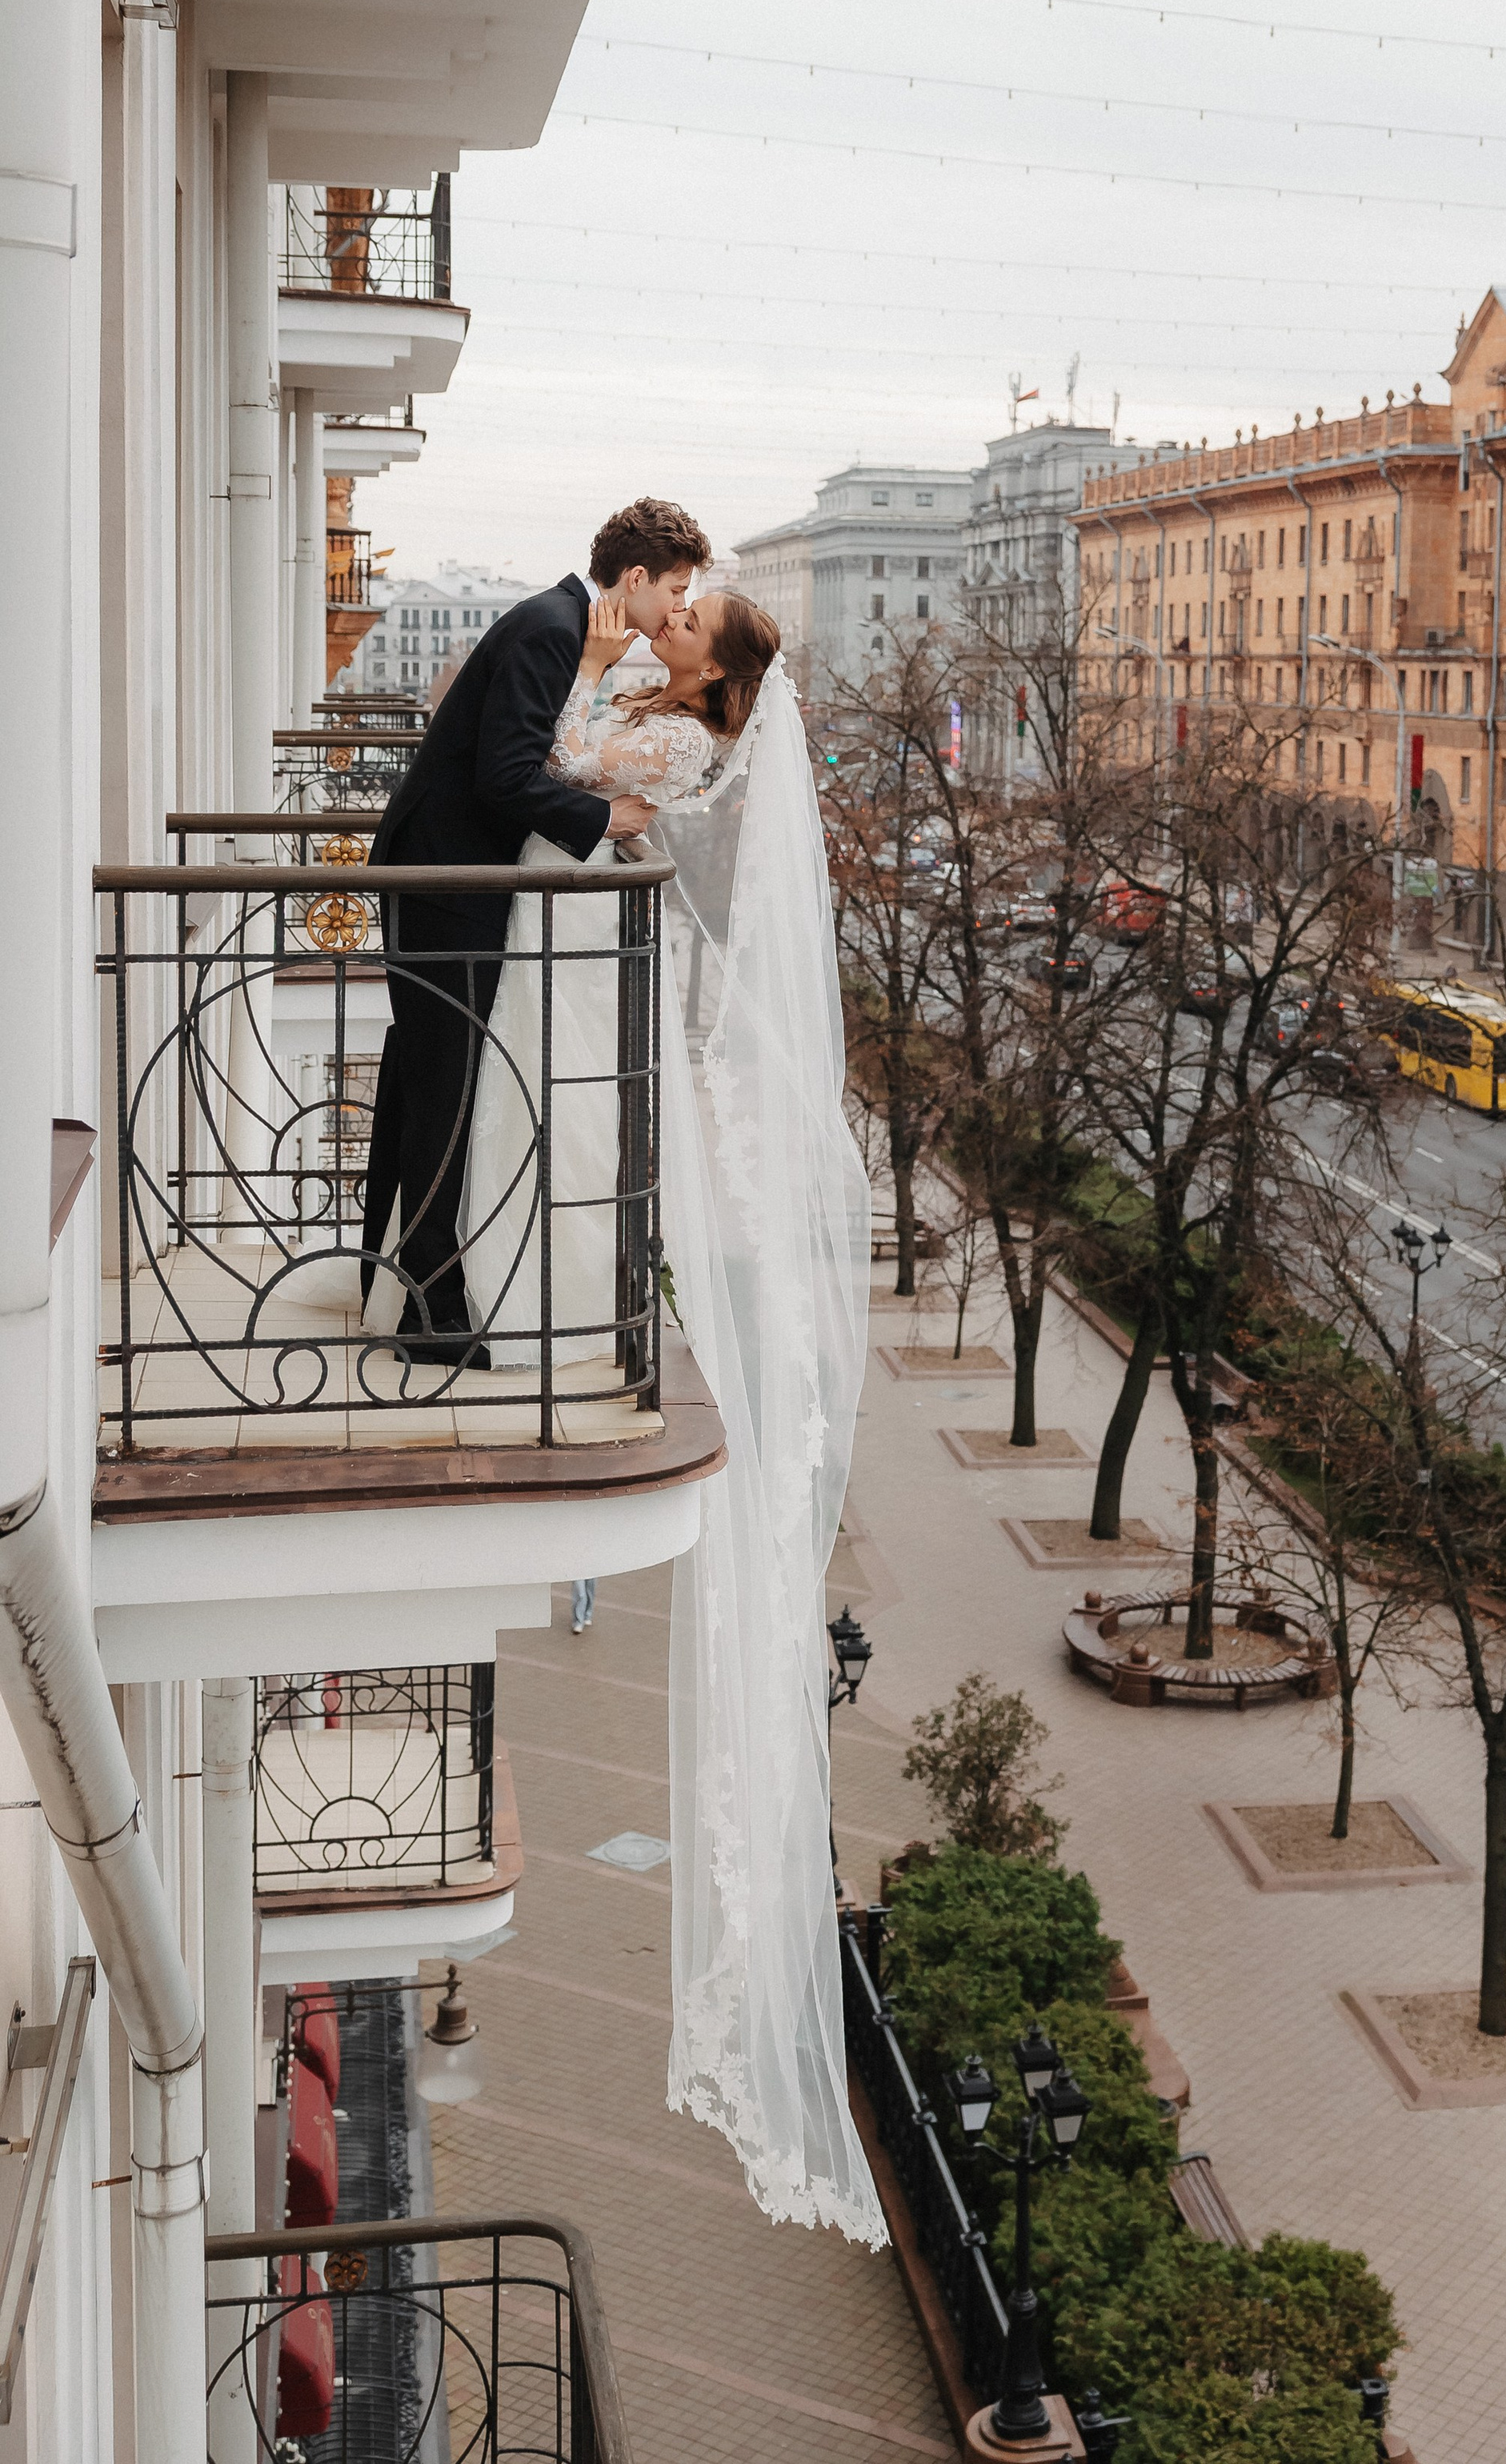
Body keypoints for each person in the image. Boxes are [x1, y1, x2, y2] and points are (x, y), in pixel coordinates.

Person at [462, 583, 886, 2245]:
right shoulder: (687, 725)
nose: (672, 620)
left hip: (644, 1024)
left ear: (722, 665)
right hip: (628, 1001)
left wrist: (590, 695)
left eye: (691, 616)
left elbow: (578, 779)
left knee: (588, 1183)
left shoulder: (690, 750)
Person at [358, 500, 710, 1364]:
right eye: (675, 589)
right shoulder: (554, 629)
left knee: (429, 1079)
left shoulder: (562, 625)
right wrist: (602, 818)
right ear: (636, 578)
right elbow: (506, 775)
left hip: (456, 876)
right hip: (447, 880)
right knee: (441, 1089)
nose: (676, 607)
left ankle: (393, 1276)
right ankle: (430, 1314)